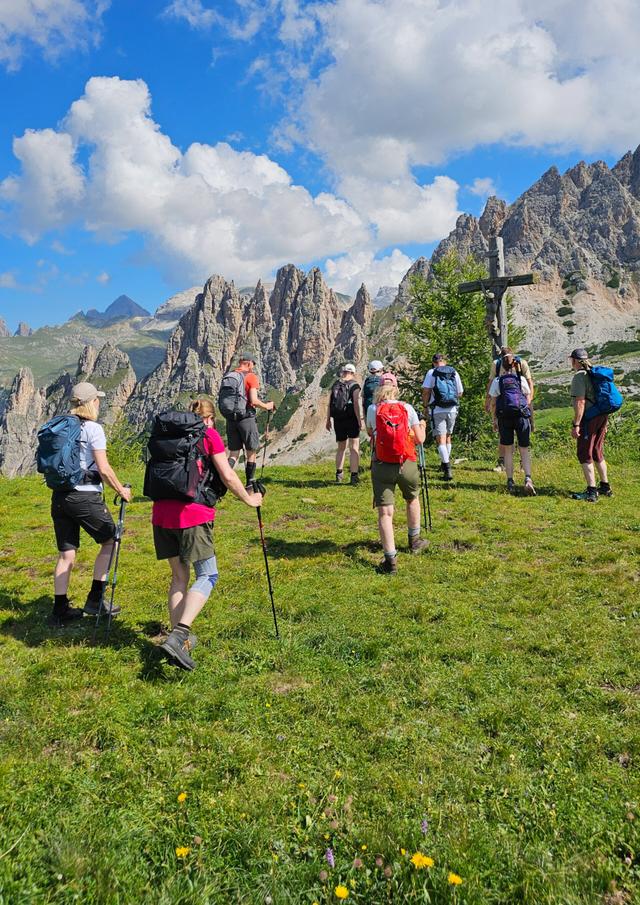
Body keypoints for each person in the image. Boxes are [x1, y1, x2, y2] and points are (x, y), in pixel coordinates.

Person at [151, 398, 262, 670]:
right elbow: (227, 476)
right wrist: (249, 499)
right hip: (192, 515)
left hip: (161, 514)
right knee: (208, 574)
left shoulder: (168, 436)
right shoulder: (208, 435)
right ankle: (179, 635)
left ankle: (177, 640)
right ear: (210, 418)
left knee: (179, 578)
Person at [47, 382, 132, 625]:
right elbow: (103, 468)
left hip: (60, 496)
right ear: (91, 403)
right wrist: (121, 490)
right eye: (97, 400)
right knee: (110, 540)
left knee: (66, 554)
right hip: (84, 496)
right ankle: (96, 599)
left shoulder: (59, 426)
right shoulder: (93, 429)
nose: (99, 403)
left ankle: (60, 610)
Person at [366, 373, 428, 573]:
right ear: (396, 388)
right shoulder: (407, 408)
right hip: (406, 462)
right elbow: (419, 439)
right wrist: (422, 425)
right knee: (412, 499)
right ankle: (414, 540)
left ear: (379, 388)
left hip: (382, 464)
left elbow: (370, 433)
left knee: (385, 512)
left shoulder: (373, 409)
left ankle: (390, 560)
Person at [222, 353, 274, 488]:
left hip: (231, 419)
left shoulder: (230, 375)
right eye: (253, 365)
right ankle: (250, 483)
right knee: (251, 451)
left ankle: (221, 481)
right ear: (249, 363)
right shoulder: (250, 376)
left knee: (233, 453)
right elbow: (254, 401)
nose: (253, 367)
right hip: (246, 418)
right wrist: (267, 406)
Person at [488, 351, 536, 495]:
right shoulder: (520, 379)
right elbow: (528, 400)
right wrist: (530, 419)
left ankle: (510, 481)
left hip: (505, 417)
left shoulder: (498, 381)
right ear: (515, 365)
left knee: (508, 450)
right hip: (521, 417)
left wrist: (494, 420)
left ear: (502, 366)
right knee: (524, 449)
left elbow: (493, 403)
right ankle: (528, 479)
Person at [569, 348, 613, 502]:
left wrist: (576, 424)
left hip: (589, 418)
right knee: (596, 451)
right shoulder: (594, 374)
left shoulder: (579, 377)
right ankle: (605, 487)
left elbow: (580, 402)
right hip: (602, 415)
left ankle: (592, 492)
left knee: (584, 452)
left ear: (574, 361)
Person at [421, 353, 464, 481]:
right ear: (444, 361)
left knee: (440, 439)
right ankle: (444, 463)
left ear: (433, 362)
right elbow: (460, 392)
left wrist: (425, 406)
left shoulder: (431, 372)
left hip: (437, 409)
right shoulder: (454, 372)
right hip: (452, 409)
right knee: (448, 437)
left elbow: (426, 391)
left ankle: (447, 469)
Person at [326, 363, 363, 484]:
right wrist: (359, 420)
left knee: (341, 448)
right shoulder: (355, 385)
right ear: (353, 373)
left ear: (343, 372)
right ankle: (354, 476)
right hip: (351, 419)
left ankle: (339, 474)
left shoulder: (336, 384)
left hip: (338, 419)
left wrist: (328, 420)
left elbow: (329, 404)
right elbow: (356, 403)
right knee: (354, 447)